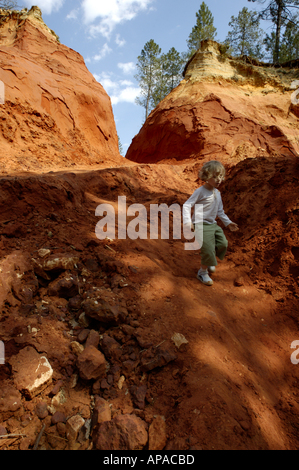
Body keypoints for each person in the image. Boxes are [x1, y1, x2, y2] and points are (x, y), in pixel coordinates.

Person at [183, 160, 239, 286]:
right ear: (206, 176)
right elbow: (187, 205)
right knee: (207, 249)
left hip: (212, 224)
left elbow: (220, 211)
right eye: (214, 176)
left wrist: (228, 223)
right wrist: (188, 222)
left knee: (223, 244)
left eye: (220, 176)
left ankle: (210, 261)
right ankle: (202, 272)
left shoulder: (217, 193)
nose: (218, 179)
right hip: (200, 224)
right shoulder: (200, 191)